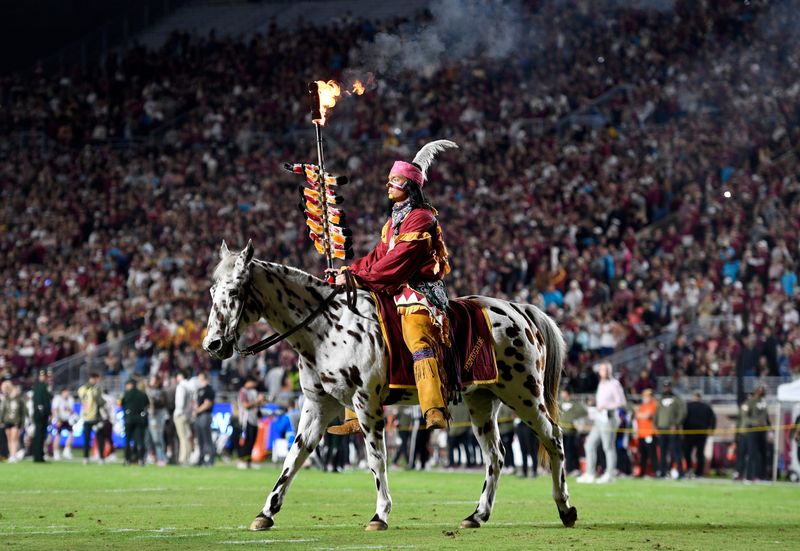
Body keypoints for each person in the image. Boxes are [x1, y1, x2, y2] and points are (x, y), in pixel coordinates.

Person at [328, 140, 457, 434]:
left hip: (418, 291)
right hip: (391, 287)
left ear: (409, 186)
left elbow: (399, 260)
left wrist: (362, 277)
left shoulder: (422, 217)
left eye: (394, 182)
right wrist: (349, 270)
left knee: (417, 337)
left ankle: (434, 407)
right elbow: (378, 255)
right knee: (357, 331)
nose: (388, 186)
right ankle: (355, 415)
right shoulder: (392, 222)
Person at [577, 361, 626, 483]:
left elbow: (621, 402)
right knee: (589, 445)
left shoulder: (614, 384)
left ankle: (609, 474)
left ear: (609, 371)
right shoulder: (601, 383)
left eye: (604, 369)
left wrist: (606, 406)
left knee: (608, 447)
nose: (602, 371)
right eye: (601, 369)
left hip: (609, 418)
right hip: (599, 418)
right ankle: (590, 473)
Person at [654, 380, 687, 479]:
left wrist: (676, 424)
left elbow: (682, 412)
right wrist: (656, 425)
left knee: (675, 451)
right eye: (664, 387)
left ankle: (680, 472)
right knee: (662, 452)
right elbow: (657, 413)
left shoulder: (677, 399)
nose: (666, 388)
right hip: (662, 428)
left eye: (668, 386)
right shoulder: (660, 399)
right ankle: (662, 472)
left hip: (672, 428)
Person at [683, 391, 716, 477]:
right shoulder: (706, 407)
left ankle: (689, 469)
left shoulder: (687, 406)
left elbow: (682, 418)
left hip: (689, 433)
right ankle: (699, 472)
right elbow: (713, 419)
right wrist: (711, 430)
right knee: (699, 453)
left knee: (688, 452)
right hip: (701, 433)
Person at [742, 385, 769, 481]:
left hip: (763, 430)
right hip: (753, 430)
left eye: (764, 389)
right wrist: (754, 422)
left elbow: (766, 416)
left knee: (764, 453)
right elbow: (745, 416)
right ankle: (749, 476)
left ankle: (762, 476)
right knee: (752, 453)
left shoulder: (763, 402)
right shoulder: (750, 401)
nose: (763, 391)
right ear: (756, 390)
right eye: (761, 389)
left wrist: (769, 428)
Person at [77, 373, 105, 464]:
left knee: (93, 438)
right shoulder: (91, 389)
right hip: (91, 417)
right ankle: (94, 458)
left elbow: (100, 402)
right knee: (94, 438)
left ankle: (92, 457)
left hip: (91, 417)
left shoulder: (85, 389)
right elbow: (99, 402)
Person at [237, 376, 264, 469]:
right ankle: (242, 460)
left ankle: (248, 461)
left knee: (252, 441)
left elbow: (257, 404)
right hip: (246, 419)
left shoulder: (254, 391)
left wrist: (261, 401)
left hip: (254, 419)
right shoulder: (243, 391)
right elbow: (246, 405)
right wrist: (257, 401)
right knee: (246, 440)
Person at [559, 388, 588, 476]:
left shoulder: (575, 404)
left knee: (571, 451)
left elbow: (584, 411)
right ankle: (568, 469)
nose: (561, 394)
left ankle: (573, 469)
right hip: (562, 431)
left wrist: (574, 418)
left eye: (563, 392)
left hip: (572, 431)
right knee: (564, 451)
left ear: (568, 393)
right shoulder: (560, 404)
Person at [121, 379, 149, 466]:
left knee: (128, 440)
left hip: (129, 419)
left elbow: (122, 404)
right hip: (140, 419)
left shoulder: (127, 394)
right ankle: (141, 459)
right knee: (140, 440)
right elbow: (147, 404)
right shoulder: (142, 394)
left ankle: (127, 460)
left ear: (130, 385)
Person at [193, 372, 215, 466]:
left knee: (207, 438)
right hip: (199, 416)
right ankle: (201, 458)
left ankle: (210, 459)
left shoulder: (209, 389)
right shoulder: (199, 390)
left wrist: (197, 410)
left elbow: (208, 403)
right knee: (200, 439)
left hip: (205, 415)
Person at [1, 381, 26, 462]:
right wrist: (1, 420)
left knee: (14, 438)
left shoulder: (18, 399)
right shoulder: (6, 399)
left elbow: (22, 411)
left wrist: (22, 422)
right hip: (7, 420)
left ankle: (13, 455)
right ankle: (11, 455)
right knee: (9, 439)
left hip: (16, 421)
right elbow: (3, 410)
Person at [173, 369, 194, 466]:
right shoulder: (190, 386)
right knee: (187, 436)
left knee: (182, 437)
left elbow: (180, 402)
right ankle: (188, 457)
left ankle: (183, 458)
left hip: (181, 414)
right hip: (187, 414)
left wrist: (178, 412)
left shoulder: (181, 386)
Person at [634, 388, 657, 477]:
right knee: (642, 455)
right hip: (641, 434)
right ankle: (642, 472)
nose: (645, 398)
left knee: (652, 454)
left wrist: (640, 415)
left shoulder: (653, 404)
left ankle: (655, 471)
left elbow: (647, 416)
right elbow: (637, 416)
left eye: (647, 396)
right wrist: (641, 415)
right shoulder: (642, 406)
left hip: (650, 433)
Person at [146, 375, 168, 466]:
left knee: (157, 438)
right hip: (150, 416)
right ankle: (151, 456)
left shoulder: (161, 391)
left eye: (155, 380)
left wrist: (153, 401)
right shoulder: (147, 391)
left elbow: (163, 402)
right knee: (148, 438)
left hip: (158, 416)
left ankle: (161, 457)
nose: (153, 382)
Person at [31, 369, 52, 463]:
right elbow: (39, 402)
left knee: (41, 435)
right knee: (39, 435)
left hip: (43, 414)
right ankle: (37, 456)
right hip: (41, 414)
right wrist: (42, 412)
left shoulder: (44, 386)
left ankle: (39, 455)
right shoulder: (41, 386)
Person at [51, 387, 76, 460]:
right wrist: (57, 419)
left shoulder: (70, 399)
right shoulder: (57, 399)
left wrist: (70, 411)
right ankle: (56, 453)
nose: (67, 394)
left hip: (67, 419)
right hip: (60, 419)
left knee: (71, 434)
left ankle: (66, 451)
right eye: (66, 392)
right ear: (62, 392)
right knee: (57, 436)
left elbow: (71, 410)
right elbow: (54, 409)